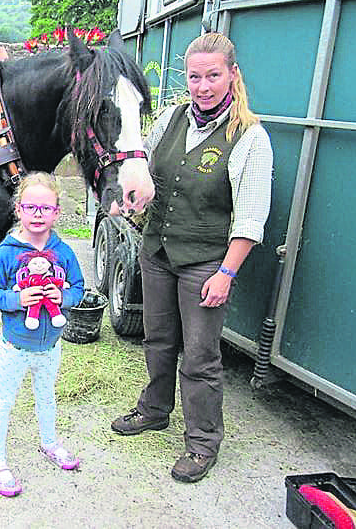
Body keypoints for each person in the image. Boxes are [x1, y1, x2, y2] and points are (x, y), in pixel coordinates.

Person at [110, 32, 273, 483]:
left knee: (200, 357)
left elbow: (251, 218)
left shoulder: (250, 137)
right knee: (157, 339)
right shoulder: (170, 119)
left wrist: (225, 273)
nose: (202, 86)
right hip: (158, 250)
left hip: (206, 262)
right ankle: (155, 410)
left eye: (213, 76)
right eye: (195, 76)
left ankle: (202, 442)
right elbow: (151, 177)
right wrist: (133, 201)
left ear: (233, 75)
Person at [0, 172, 85, 497]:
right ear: (18, 210)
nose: (37, 214)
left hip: (50, 346)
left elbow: (79, 289)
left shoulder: (64, 252)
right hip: (15, 346)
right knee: (4, 402)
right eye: (30, 207)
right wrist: (16, 300)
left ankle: (49, 443)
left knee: (46, 396)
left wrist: (63, 298)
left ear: (56, 212)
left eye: (45, 208)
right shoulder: (6, 252)